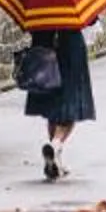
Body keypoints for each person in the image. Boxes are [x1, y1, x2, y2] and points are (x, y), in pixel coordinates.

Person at [24, 24, 95, 179]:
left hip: (43, 45)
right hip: (70, 46)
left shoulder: (41, 5)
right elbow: (90, 20)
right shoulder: (70, 8)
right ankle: (55, 145)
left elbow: (30, 27)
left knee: (52, 106)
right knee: (71, 106)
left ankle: (57, 161)